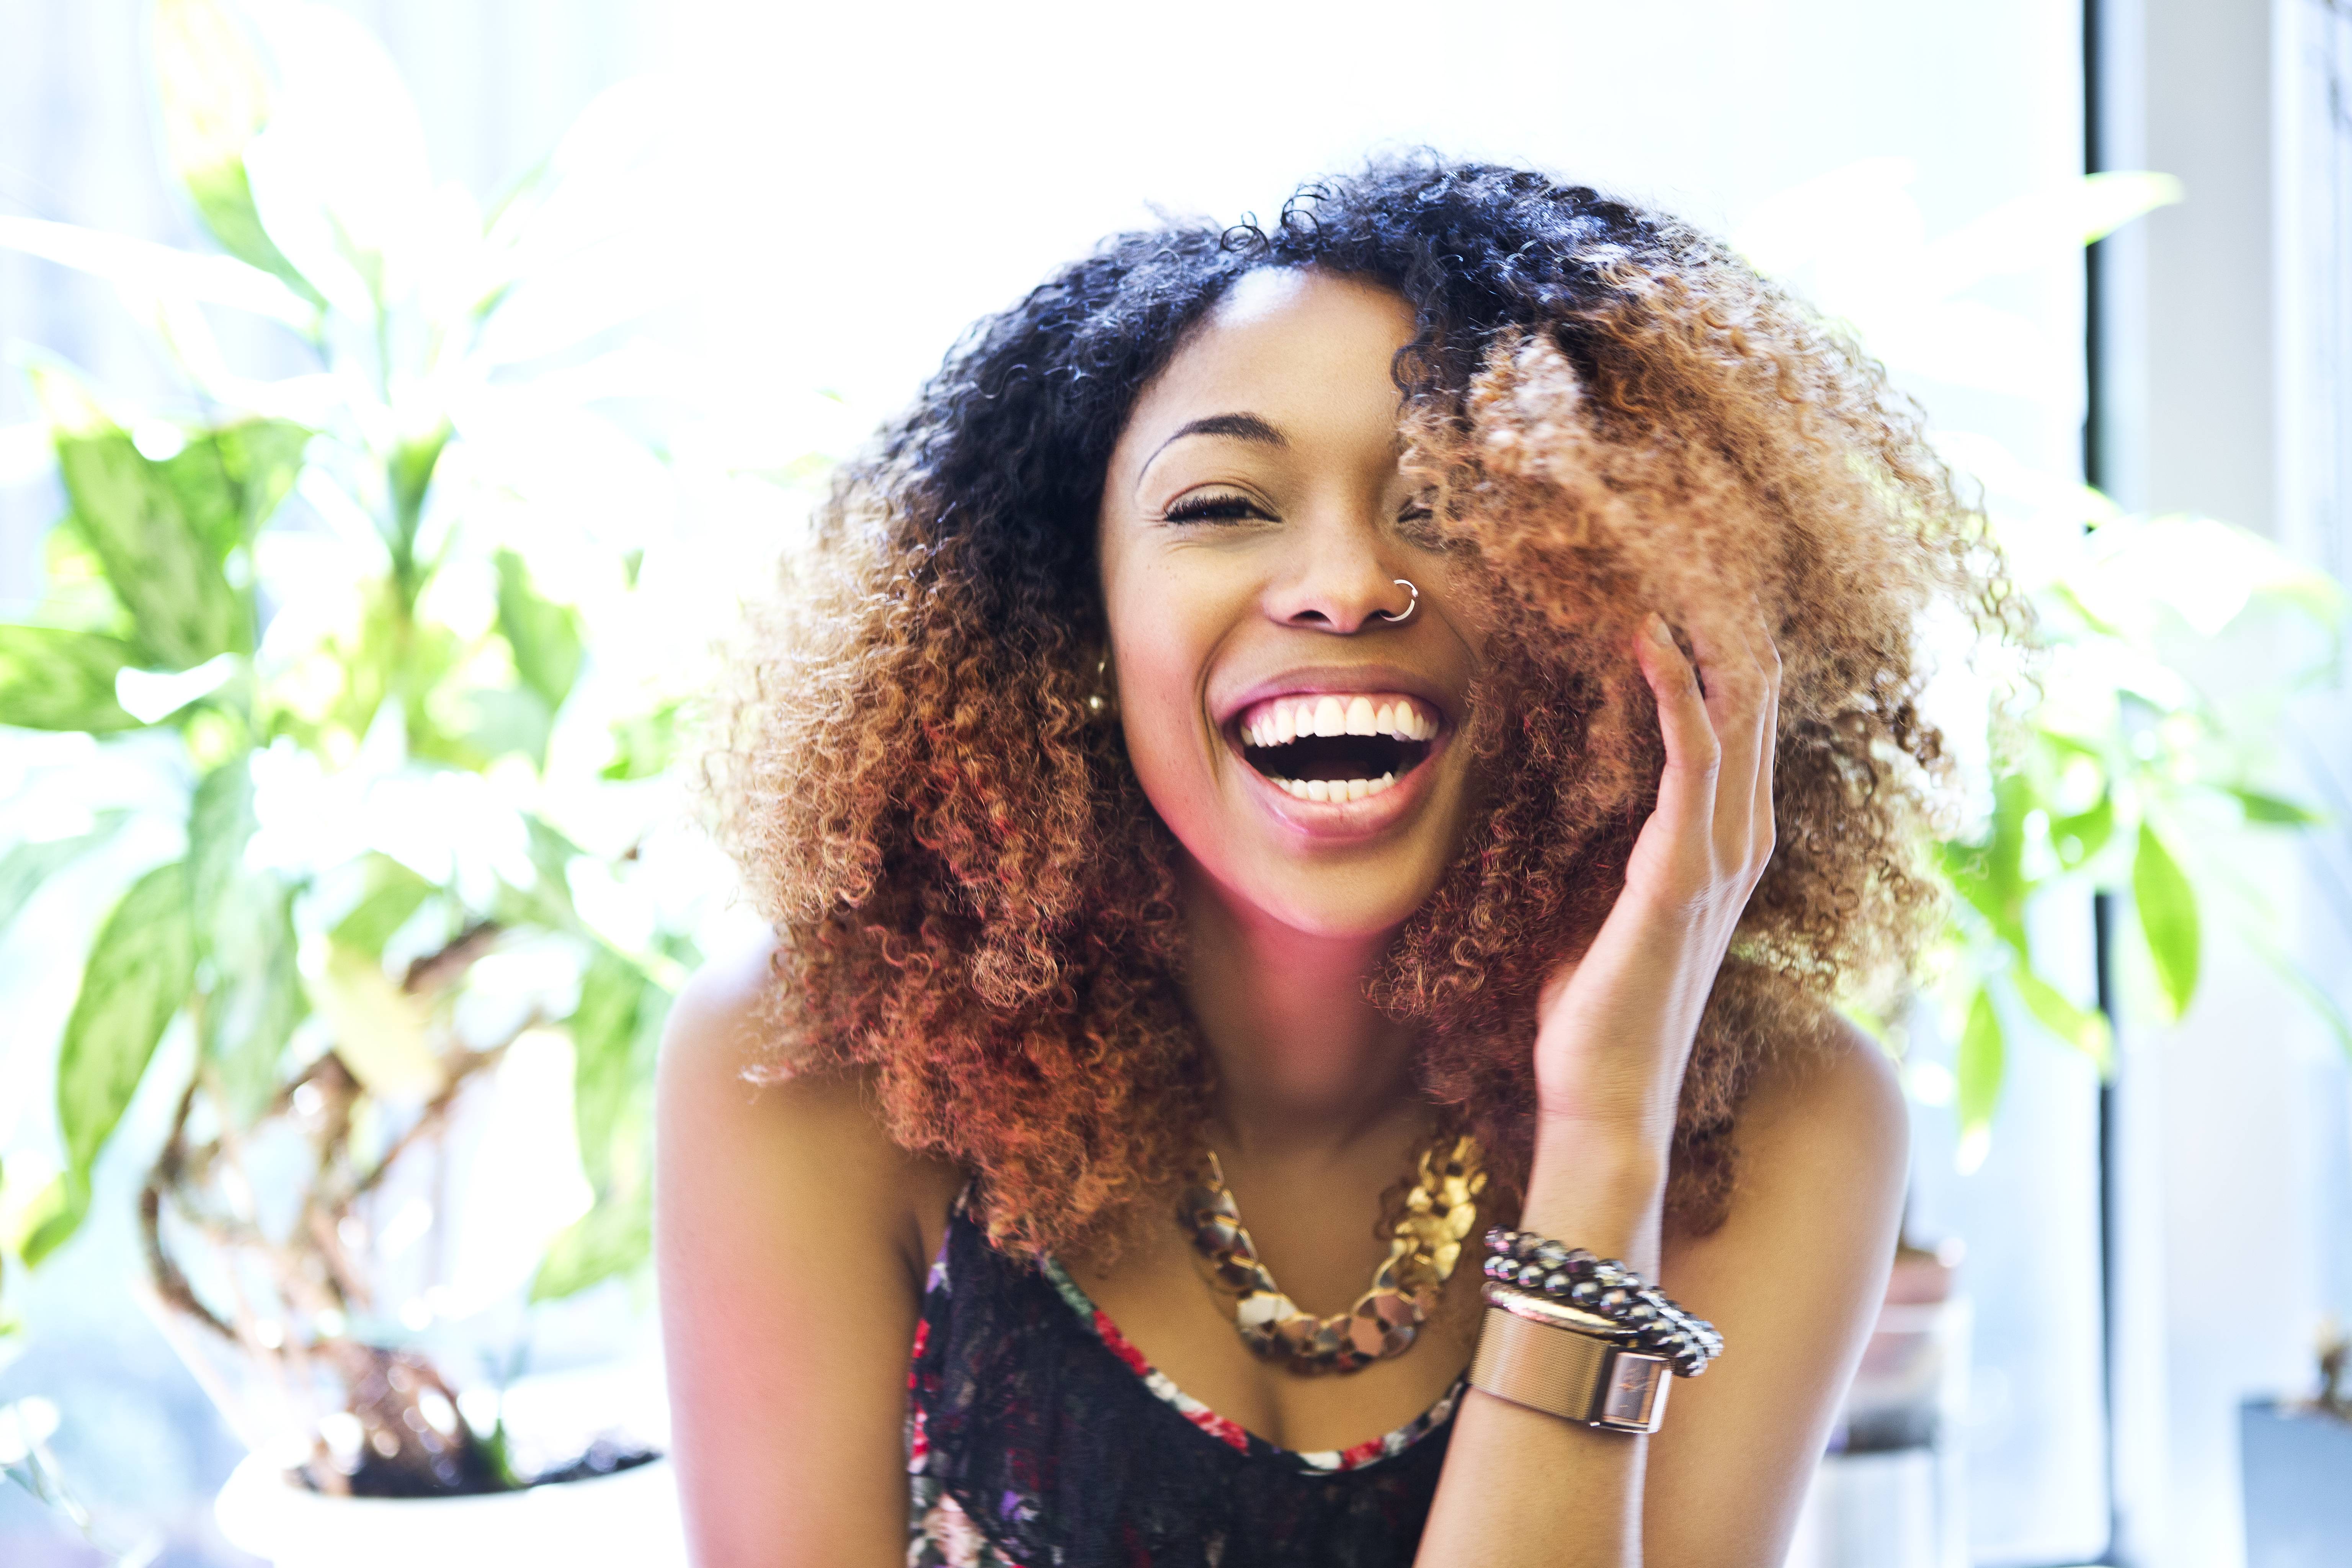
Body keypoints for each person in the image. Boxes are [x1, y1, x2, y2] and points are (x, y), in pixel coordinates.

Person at [657, 159, 2007, 1567]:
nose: (1347, 581)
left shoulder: (1775, 1125)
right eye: (1222, 506)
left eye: (1447, 505)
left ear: (1608, 610)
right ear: (1078, 631)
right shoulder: (811, 1073)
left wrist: (1608, 1145)